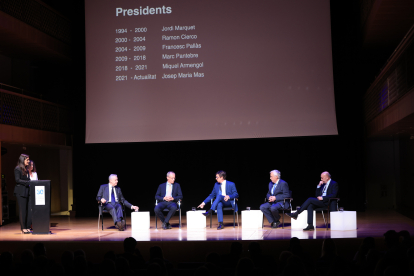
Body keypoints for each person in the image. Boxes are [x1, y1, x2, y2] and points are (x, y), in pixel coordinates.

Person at [14, 154, 32, 234]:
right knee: (23, 210)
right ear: (22, 160)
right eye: (27, 160)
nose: (28, 161)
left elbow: (28, 179)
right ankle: (23, 228)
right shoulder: (17, 169)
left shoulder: (26, 169)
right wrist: (28, 182)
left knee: (29, 210)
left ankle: (28, 227)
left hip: (27, 191)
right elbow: (17, 180)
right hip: (20, 192)